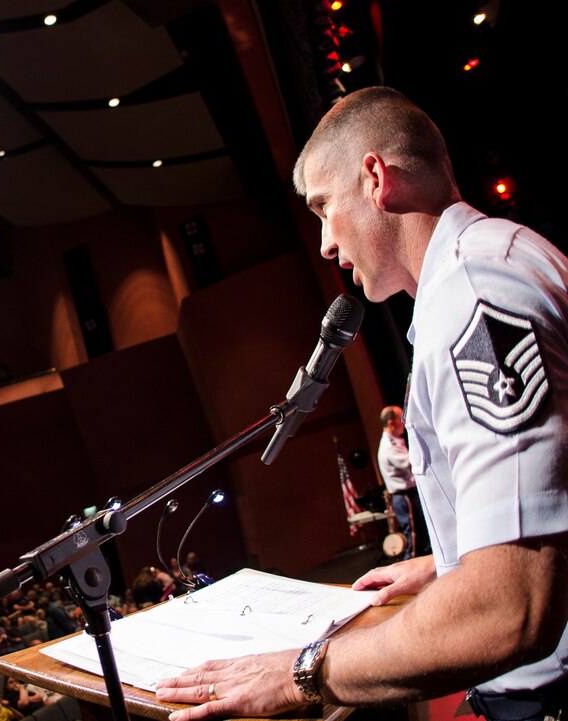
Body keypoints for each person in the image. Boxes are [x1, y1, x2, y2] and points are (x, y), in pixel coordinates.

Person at [154, 86, 568, 721]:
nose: (323, 242)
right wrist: (447, 565)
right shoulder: (487, 265)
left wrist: (300, 675)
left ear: (375, 178)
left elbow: (513, 610)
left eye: (324, 207)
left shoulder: (476, 294)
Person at [377, 405, 431, 560]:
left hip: (410, 494)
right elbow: (409, 463)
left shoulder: (395, 441)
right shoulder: (389, 446)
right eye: (401, 418)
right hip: (404, 497)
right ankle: (410, 574)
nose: (404, 421)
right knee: (414, 538)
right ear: (392, 423)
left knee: (423, 537)